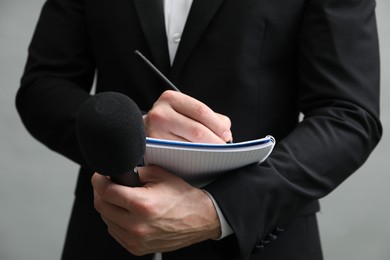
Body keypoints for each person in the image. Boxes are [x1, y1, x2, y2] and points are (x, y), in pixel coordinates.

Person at [16, 0, 382, 259]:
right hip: (106, 232)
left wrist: (218, 209)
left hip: (260, 244)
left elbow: (348, 114)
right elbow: (43, 86)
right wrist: (133, 131)